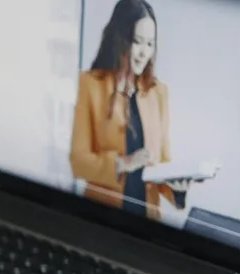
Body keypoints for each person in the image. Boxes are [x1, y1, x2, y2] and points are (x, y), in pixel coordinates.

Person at [69, 0, 211, 221]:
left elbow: (162, 163)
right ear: (120, 39)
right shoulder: (90, 85)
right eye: (137, 42)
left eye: (150, 44)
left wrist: (177, 189)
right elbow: (79, 162)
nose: (144, 53)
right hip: (100, 219)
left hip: (146, 225)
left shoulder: (158, 93)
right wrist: (123, 163)